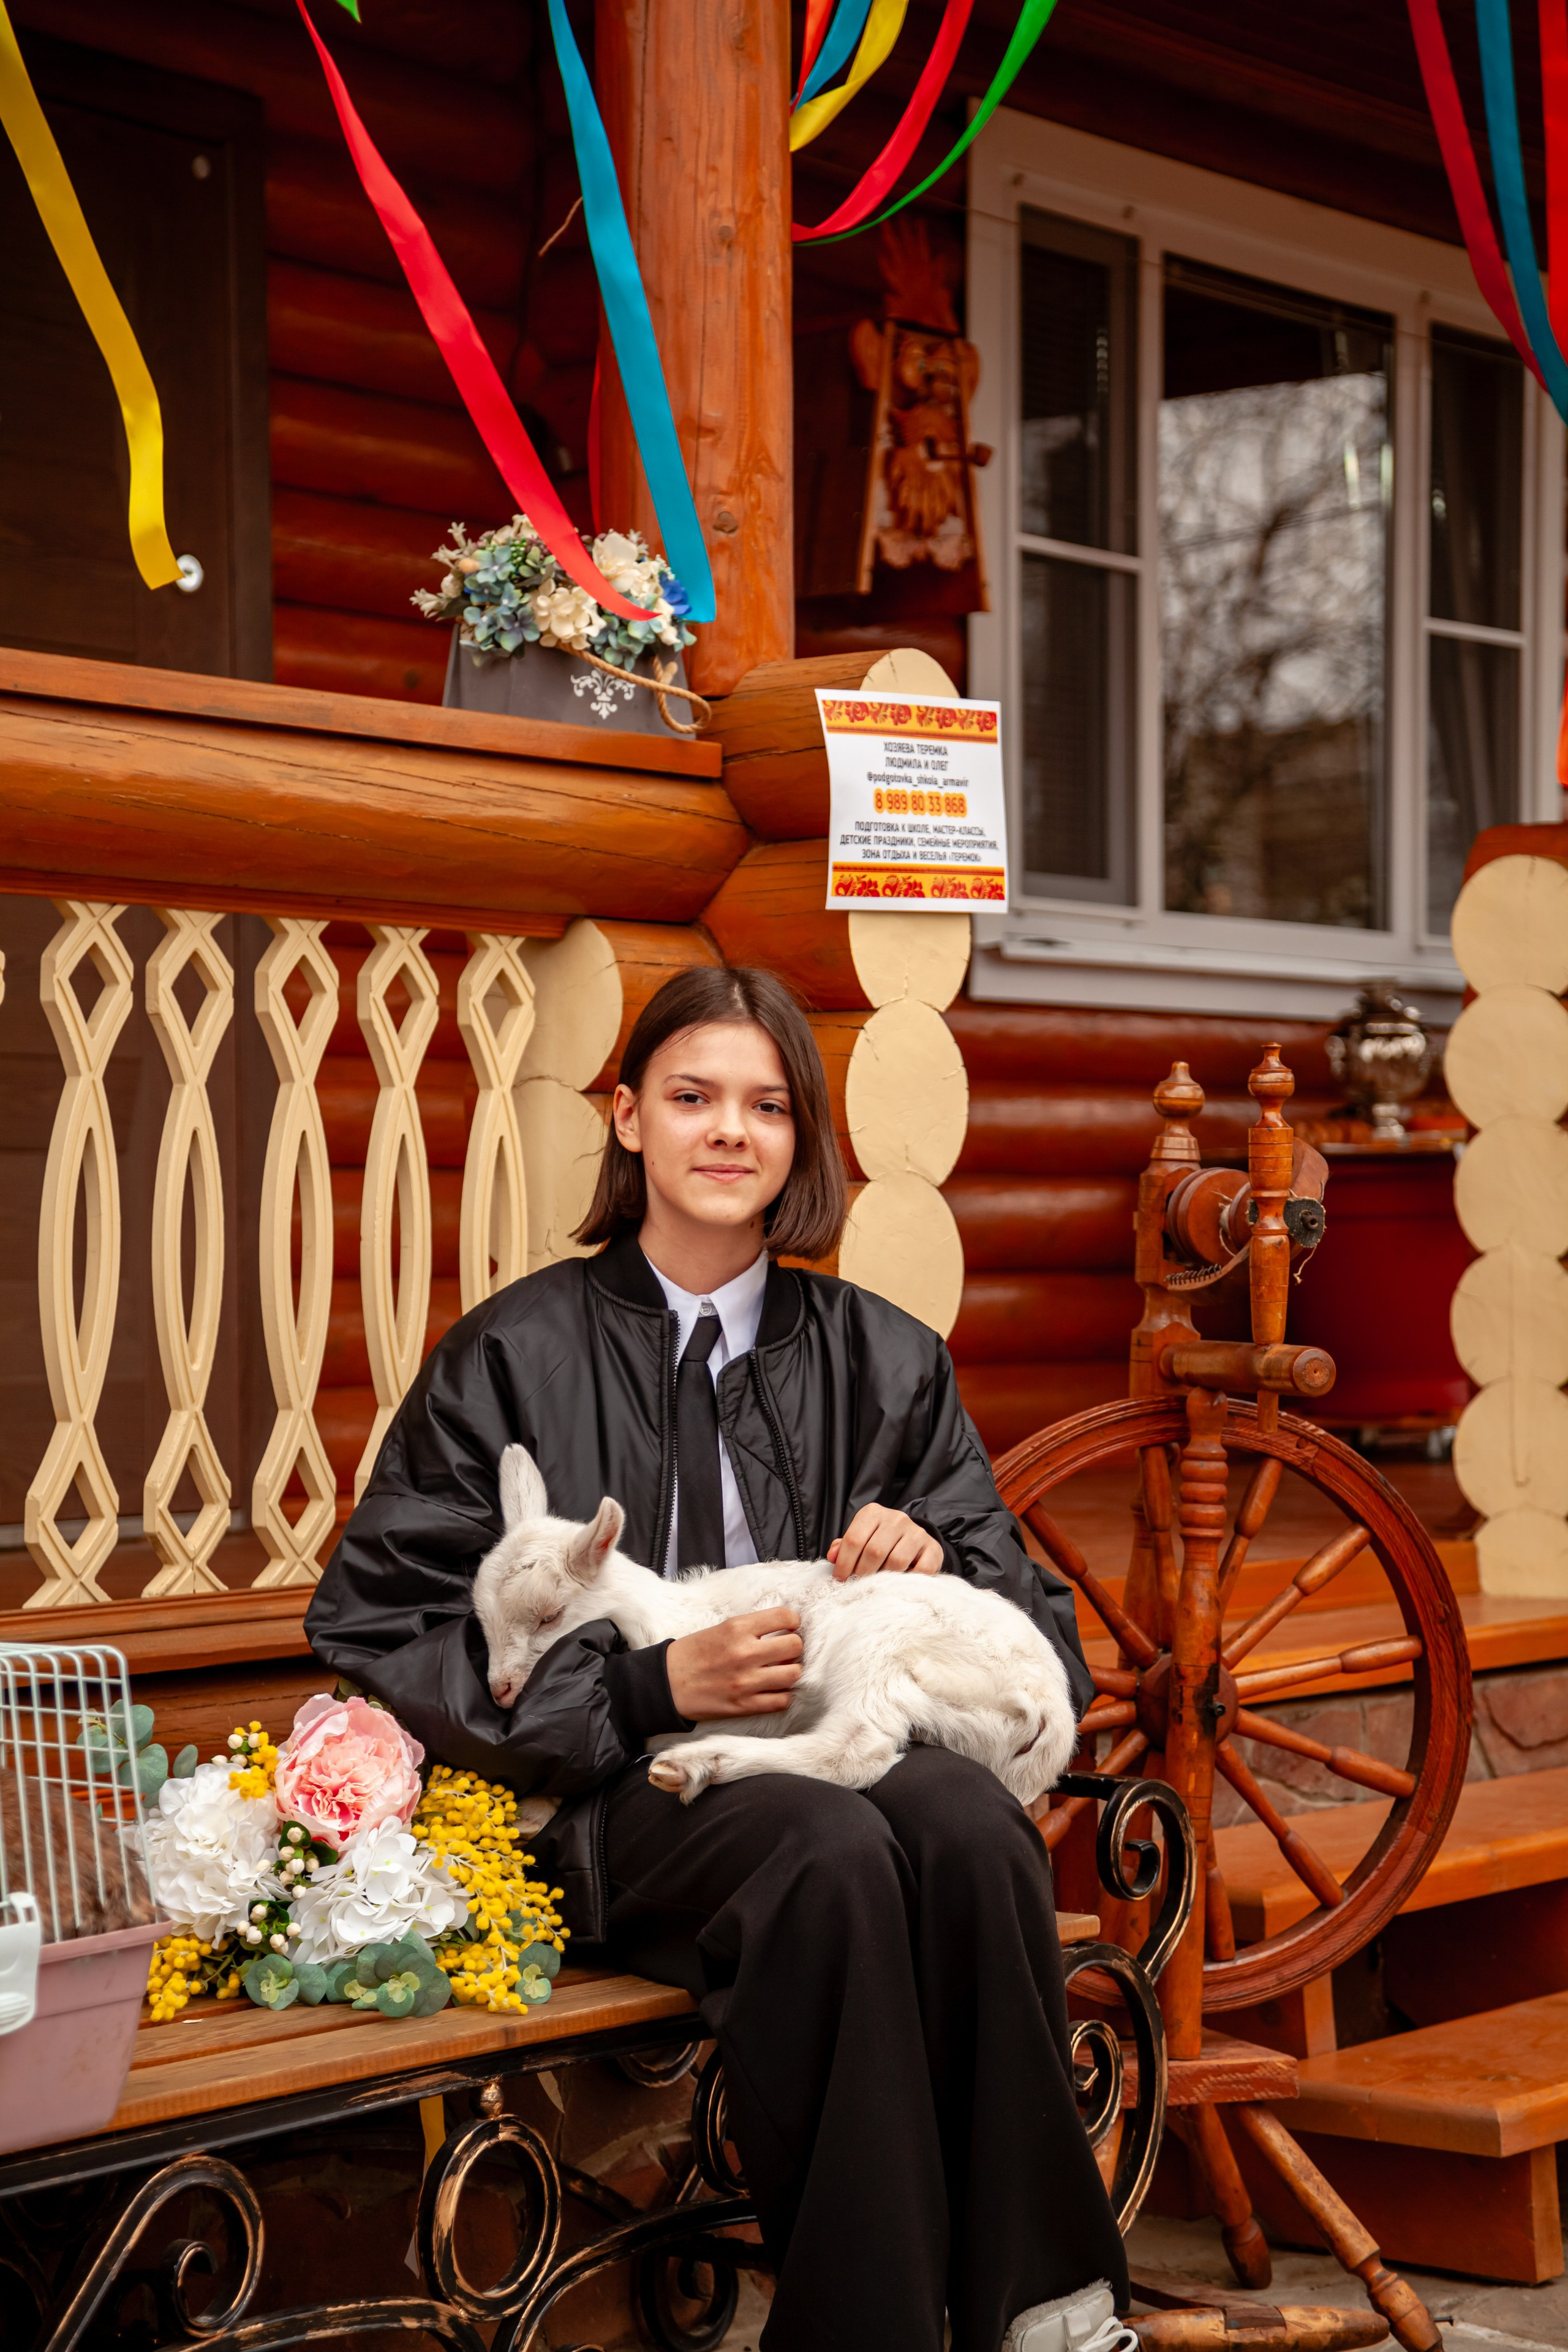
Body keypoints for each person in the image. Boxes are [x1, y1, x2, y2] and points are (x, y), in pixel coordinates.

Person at [305, 964, 1131, 2352]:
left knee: (975, 1831)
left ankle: (1044, 2304)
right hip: (610, 1801)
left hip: (842, 1749)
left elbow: (1032, 1630)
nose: (727, 1132)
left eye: (764, 1106)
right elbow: (384, 1628)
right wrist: (638, 1689)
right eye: (690, 1097)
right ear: (628, 1118)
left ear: (801, 1138)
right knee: (826, 1847)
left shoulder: (885, 1360)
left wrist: (935, 1561)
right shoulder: (512, 1352)